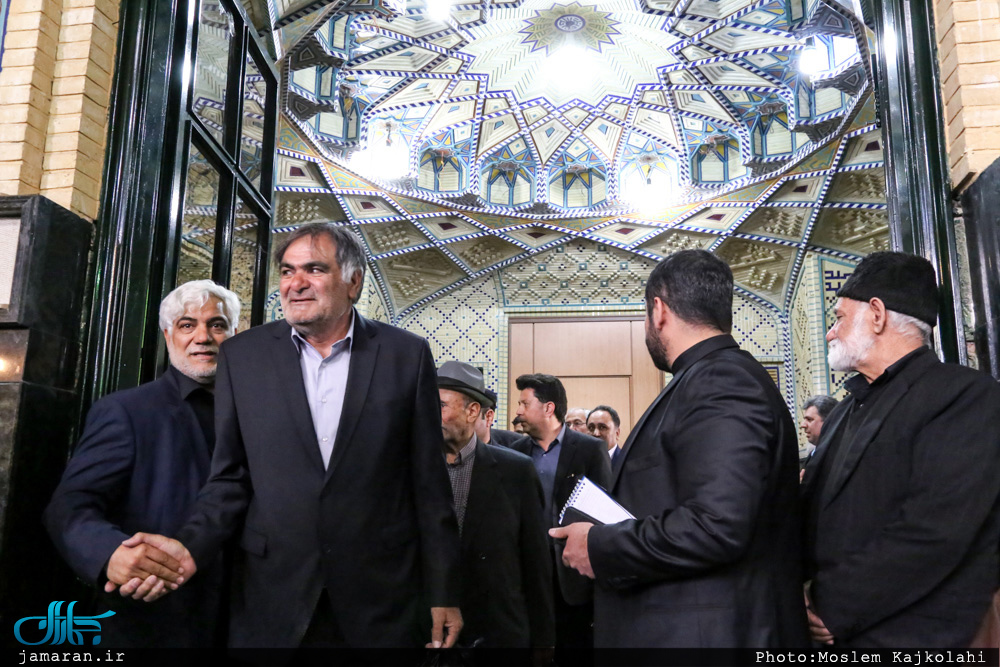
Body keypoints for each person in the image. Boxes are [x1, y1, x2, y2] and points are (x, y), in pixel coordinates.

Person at [115, 224, 463, 648]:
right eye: (286, 271)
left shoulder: (405, 354)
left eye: (314, 269)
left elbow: (429, 484)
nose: (295, 284)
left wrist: (444, 591)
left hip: (380, 597)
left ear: (353, 282)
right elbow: (230, 477)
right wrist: (190, 547)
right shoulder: (243, 356)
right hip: (271, 596)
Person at [553, 249, 808, 647]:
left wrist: (600, 545)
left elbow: (717, 524)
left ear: (658, 311)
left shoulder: (721, 380)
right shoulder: (704, 378)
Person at [801, 251, 1000, 648]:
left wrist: (833, 604)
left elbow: (936, 530)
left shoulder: (967, 397)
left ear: (877, 315)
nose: (830, 333)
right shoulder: (845, 410)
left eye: (839, 318)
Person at [43, 280, 240, 647]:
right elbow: (69, 507)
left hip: (247, 622)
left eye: (217, 325)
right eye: (187, 324)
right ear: (168, 335)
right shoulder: (126, 411)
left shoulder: (258, 413)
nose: (203, 337)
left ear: (235, 335)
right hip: (157, 622)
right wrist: (109, 553)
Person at [436, 361, 555, 649]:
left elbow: (535, 563)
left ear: (472, 411)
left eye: (440, 406)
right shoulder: (409, 468)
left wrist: (543, 640)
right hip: (429, 636)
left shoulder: (515, 471)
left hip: (496, 637)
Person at [507, 373, 611, 649]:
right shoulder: (514, 453)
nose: (518, 411)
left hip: (573, 578)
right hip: (525, 578)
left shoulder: (590, 450)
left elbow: (604, 510)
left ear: (548, 408)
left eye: (524, 403)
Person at [799, 395, 837, 462]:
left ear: (828, 421)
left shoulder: (838, 457)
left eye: (809, 419)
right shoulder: (813, 454)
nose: (803, 425)